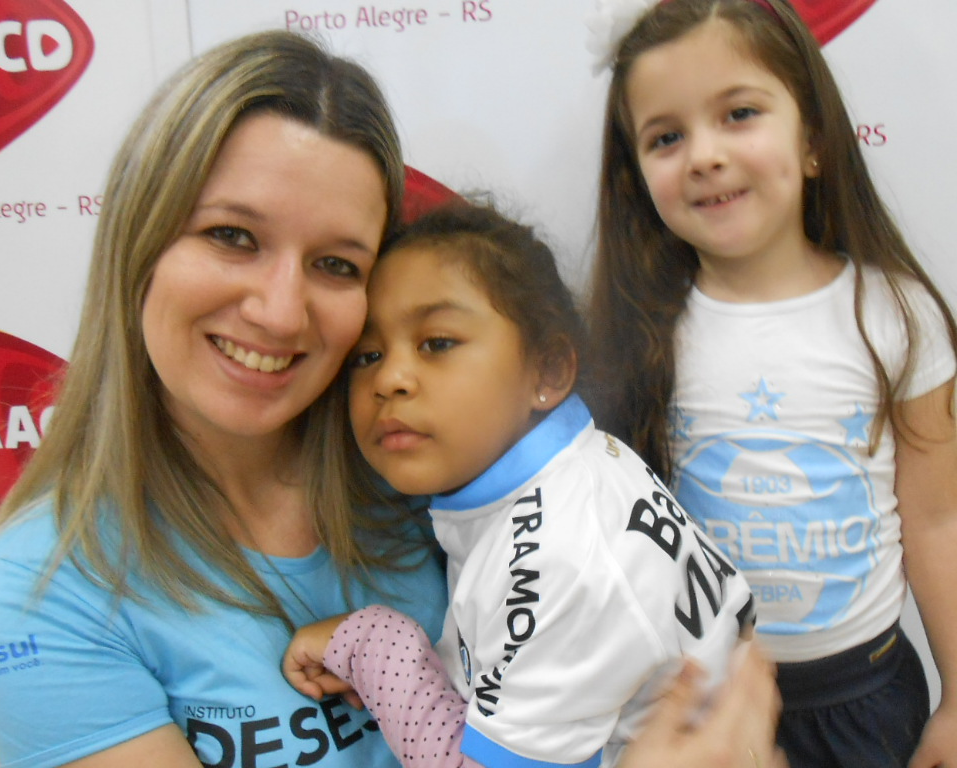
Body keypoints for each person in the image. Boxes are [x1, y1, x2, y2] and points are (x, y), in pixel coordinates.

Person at [0, 30, 449, 768]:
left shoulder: (432, 478)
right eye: (233, 236)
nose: (281, 313)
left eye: (336, 264)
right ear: (139, 241)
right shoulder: (38, 593)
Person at [583, 1, 957, 766]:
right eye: (666, 136)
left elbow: (939, 521)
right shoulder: (641, 337)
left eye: (739, 113)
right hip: (707, 707)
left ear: (813, 140)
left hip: (868, 699)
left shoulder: (896, 316)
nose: (704, 155)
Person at [282, 200, 758, 768]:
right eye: (368, 354)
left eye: (437, 342)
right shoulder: (579, 464)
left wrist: (379, 649)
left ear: (548, 371)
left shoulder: (557, 556)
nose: (390, 378)